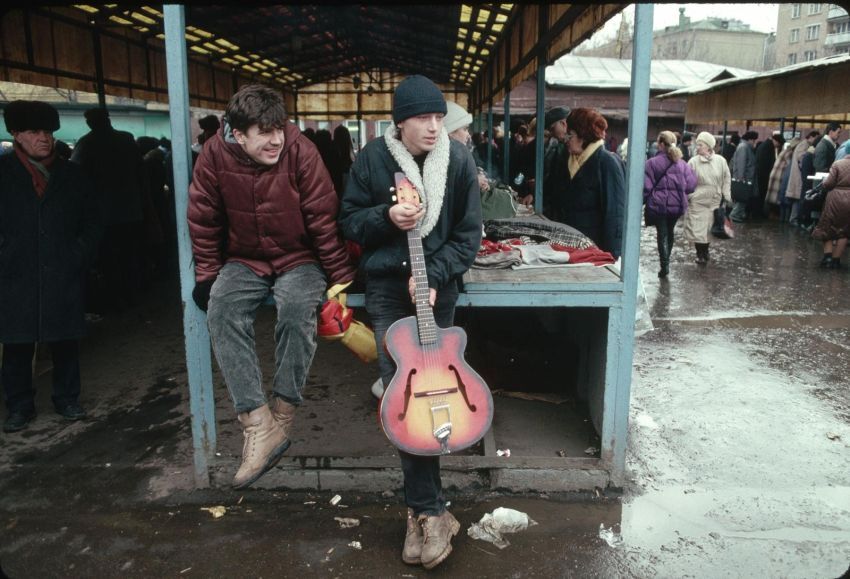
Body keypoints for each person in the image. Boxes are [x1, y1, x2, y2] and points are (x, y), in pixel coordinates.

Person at [339, 75, 482, 570]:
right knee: (403, 398)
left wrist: (437, 275)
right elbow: (349, 221)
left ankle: (424, 510)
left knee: (434, 397)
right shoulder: (372, 159)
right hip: (384, 291)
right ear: (399, 121)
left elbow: (469, 235)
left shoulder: (458, 161)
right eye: (423, 117)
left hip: (435, 292)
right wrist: (386, 217)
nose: (433, 126)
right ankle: (428, 510)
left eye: (439, 117)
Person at [187, 84, 356, 489]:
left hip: (299, 256)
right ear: (237, 133)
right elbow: (204, 218)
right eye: (263, 132)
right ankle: (257, 423)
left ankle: (282, 412)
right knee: (222, 307)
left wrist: (341, 277)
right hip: (245, 257)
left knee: (298, 308)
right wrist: (208, 275)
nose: (276, 139)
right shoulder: (213, 154)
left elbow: (321, 215)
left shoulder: (300, 150)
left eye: (278, 128)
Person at [0, 101, 102, 432]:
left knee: (65, 338)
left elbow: (93, 222)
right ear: (15, 134)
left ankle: (67, 398)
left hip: (62, 267)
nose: (43, 138)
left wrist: (78, 254)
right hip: (15, 271)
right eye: (34, 132)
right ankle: (19, 405)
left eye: (47, 131)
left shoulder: (72, 174)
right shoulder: (2, 173)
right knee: (16, 342)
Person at [70, 107, 146, 312]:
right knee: (129, 256)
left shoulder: (87, 143)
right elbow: (140, 171)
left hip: (104, 215)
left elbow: (74, 173)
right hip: (130, 210)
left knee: (109, 259)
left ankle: (116, 298)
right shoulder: (126, 139)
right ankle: (132, 295)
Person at [544, 107, 625, 258]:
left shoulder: (607, 162)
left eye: (571, 135)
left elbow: (614, 215)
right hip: (570, 247)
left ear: (584, 135)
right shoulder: (568, 160)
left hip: (595, 250)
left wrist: (610, 256)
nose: (566, 139)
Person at [643, 131, 697, 278]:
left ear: (660, 144)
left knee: (662, 234)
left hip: (659, 205)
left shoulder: (651, 164)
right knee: (670, 232)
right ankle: (666, 262)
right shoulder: (683, 164)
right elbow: (691, 185)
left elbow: (646, 187)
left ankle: (664, 265)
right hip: (677, 205)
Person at [684, 131, 732, 264]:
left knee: (709, 230)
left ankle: (705, 251)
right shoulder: (693, 162)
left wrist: (726, 195)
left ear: (709, 147)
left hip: (714, 201)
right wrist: (690, 196)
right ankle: (700, 254)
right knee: (697, 229)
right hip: (698, 201)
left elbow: (726, 178)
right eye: (697, 144)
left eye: (700, 145)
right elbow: (686, 181)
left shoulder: (721, 161)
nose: (697, 147)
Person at [812, 156, 850, 269]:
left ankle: (828, 257)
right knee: (845, 230)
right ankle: (836, 260)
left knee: (827, 226)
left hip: (835, 198)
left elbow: (828, 183)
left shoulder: (837, 164)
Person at [786, 130, 820, 225]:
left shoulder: (804, 144)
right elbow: (801, 159)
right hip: (798, 176)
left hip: (798, 175)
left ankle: (793, 219)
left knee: (797, 199)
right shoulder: (804, 145)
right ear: (812, 137)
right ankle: (794, 219)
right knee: (798, 199)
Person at [729, 130, 758, 223]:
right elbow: (741, 164)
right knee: (741, 199)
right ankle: (733, 216)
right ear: (749, 139)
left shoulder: (743, 146)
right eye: (753, 140)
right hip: (744, 179)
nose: (754, 143)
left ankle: (738, 215)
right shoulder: (744, 147)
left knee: (742, 199)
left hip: (745, 178)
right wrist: (741, 178)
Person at [754, 133, 783, 220]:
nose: (778, 146)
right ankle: (759, 214)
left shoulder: (765, 145)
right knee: (762, 196)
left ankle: (758, 213)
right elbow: (767, 164)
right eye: (779, 144)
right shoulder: (768, 147)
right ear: (776, 141)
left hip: (760, 175)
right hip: (763, 176)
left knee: (760, 196)